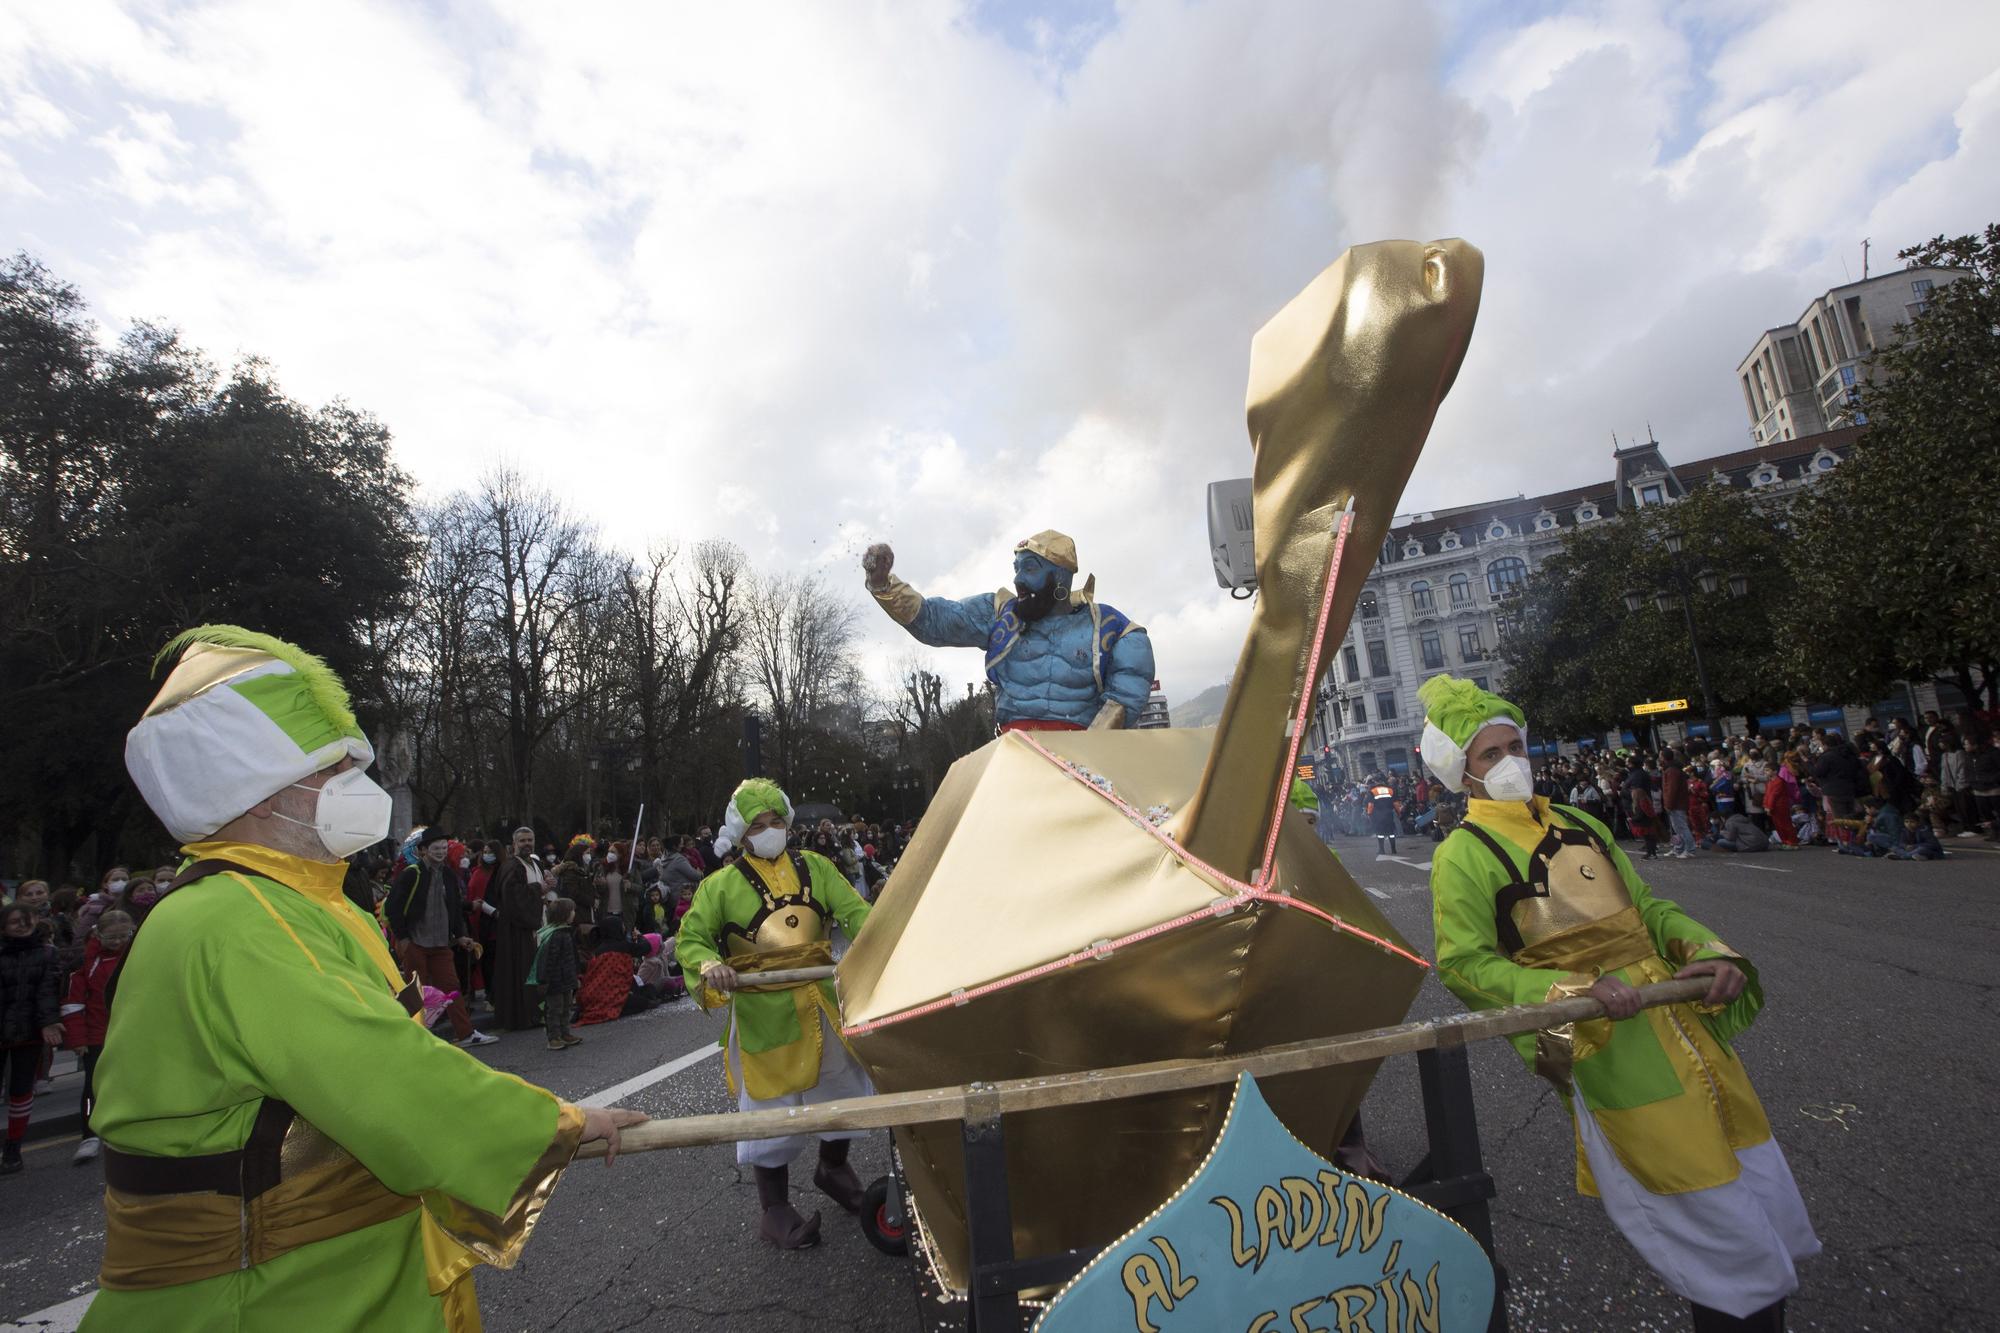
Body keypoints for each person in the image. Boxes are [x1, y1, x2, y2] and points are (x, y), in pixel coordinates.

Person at [92, 625, 645, 1330]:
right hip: (267, 1303)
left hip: (329, 1280)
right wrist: (558, 1125)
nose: (356, 787)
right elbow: (381, 1076)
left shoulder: (299, 900)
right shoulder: (232, 919)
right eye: (332, 769)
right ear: (260, 795)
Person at [1417, 675, 1817, 1331]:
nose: (1511, 761)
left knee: (1760, 1202)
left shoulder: (1581, 821)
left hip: (1688, 1031)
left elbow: (1649, 908)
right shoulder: (1463, 852)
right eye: (1490, 754)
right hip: (1609, 1049)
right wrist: (1571, 994)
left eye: (1515, 745)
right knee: (1722, 1246)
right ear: (1459, 771)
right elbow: (1463, 962)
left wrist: (1704, 950)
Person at [676, 778, 873, 1249]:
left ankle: (833, 1167)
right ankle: (774, 1210)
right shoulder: (718, 886)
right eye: (758, 826)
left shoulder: (819, 867)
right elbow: (691, 939)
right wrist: (709, 965)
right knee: (771, 1108)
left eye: (776, 821)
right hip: (765, 1011)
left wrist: (882, 939)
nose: (770, 831)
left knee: (844, 1093)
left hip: (823, 999)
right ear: (741, 836)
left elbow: (857, 914)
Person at [862, 531, 1155, 731]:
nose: (1017, 579)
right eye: (1016, 569)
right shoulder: (1000, 613)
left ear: (1061, 577)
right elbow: (934, 621)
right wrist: (883, 583)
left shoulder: (1113, 630)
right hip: (1012, 759)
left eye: (1029, 569)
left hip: (1084, 763)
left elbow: (1123, 702)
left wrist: (1083, 766)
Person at [385, 829, 496, 1048]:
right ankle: (413, 1035)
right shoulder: (411, 874)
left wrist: (460, 935)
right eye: (436, 848)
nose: (441, 852)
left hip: (440, 943)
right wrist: (403, 937)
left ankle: (465, 1033)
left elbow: (454, 907)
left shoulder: (448, 875)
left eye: (444, 848)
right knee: (416, 990)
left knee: (451, 987)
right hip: (415, 941)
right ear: (423, 850)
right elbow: (393, 907)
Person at [62, 908, 135, 1165]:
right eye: (111, 937)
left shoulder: (138, 954)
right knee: (93, 1087)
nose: (117, 942)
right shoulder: (86, 962)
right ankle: (89, 1134)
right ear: (98, 934)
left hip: (132, 1032)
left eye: (122, 936)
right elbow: (74, 1002)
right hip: (97, 1034)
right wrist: (77, 1038)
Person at [2, 902, 63, 1175]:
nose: (22, 926)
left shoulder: (47, 954)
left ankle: (13, 1148)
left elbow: (47, 992)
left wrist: (49, 1023)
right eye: (16, 921)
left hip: (28, 1031)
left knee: (21, 1089)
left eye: (27, 921)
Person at [489, 826, 547, 1031]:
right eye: (522, 841)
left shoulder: (534, 863)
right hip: (518, 929)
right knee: (521, 972)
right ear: (514, 844)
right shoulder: (512, 866)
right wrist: (539, 889)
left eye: (530, 840)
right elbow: (513, 896)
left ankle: (534, 1013)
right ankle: (522, 1017)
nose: (526, 844)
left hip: (534, 923)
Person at [533, 899, 582, 1051]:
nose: (574, 913)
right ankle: (553, 1037)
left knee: (566, 1007)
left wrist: (575, 976)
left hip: (566, 978)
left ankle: (565, 1033)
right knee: (554, 1009)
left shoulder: (566, 932)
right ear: (564, 914)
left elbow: (571, 958)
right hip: (554, 980)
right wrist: (544, 980)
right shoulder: (554, 935)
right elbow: (548, 960)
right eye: (572, 911)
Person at [1366, 779, 1399, 855]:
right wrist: (1398, 812)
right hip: (1389, 813)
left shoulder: (1373, 791)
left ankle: (1382, 850)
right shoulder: (1390, 790)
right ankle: (1393, 849)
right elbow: (1396, 803)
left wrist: (1369, 814)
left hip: (1378, 814)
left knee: (1380, 833)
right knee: (1391, 832)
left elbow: (1370, 805)